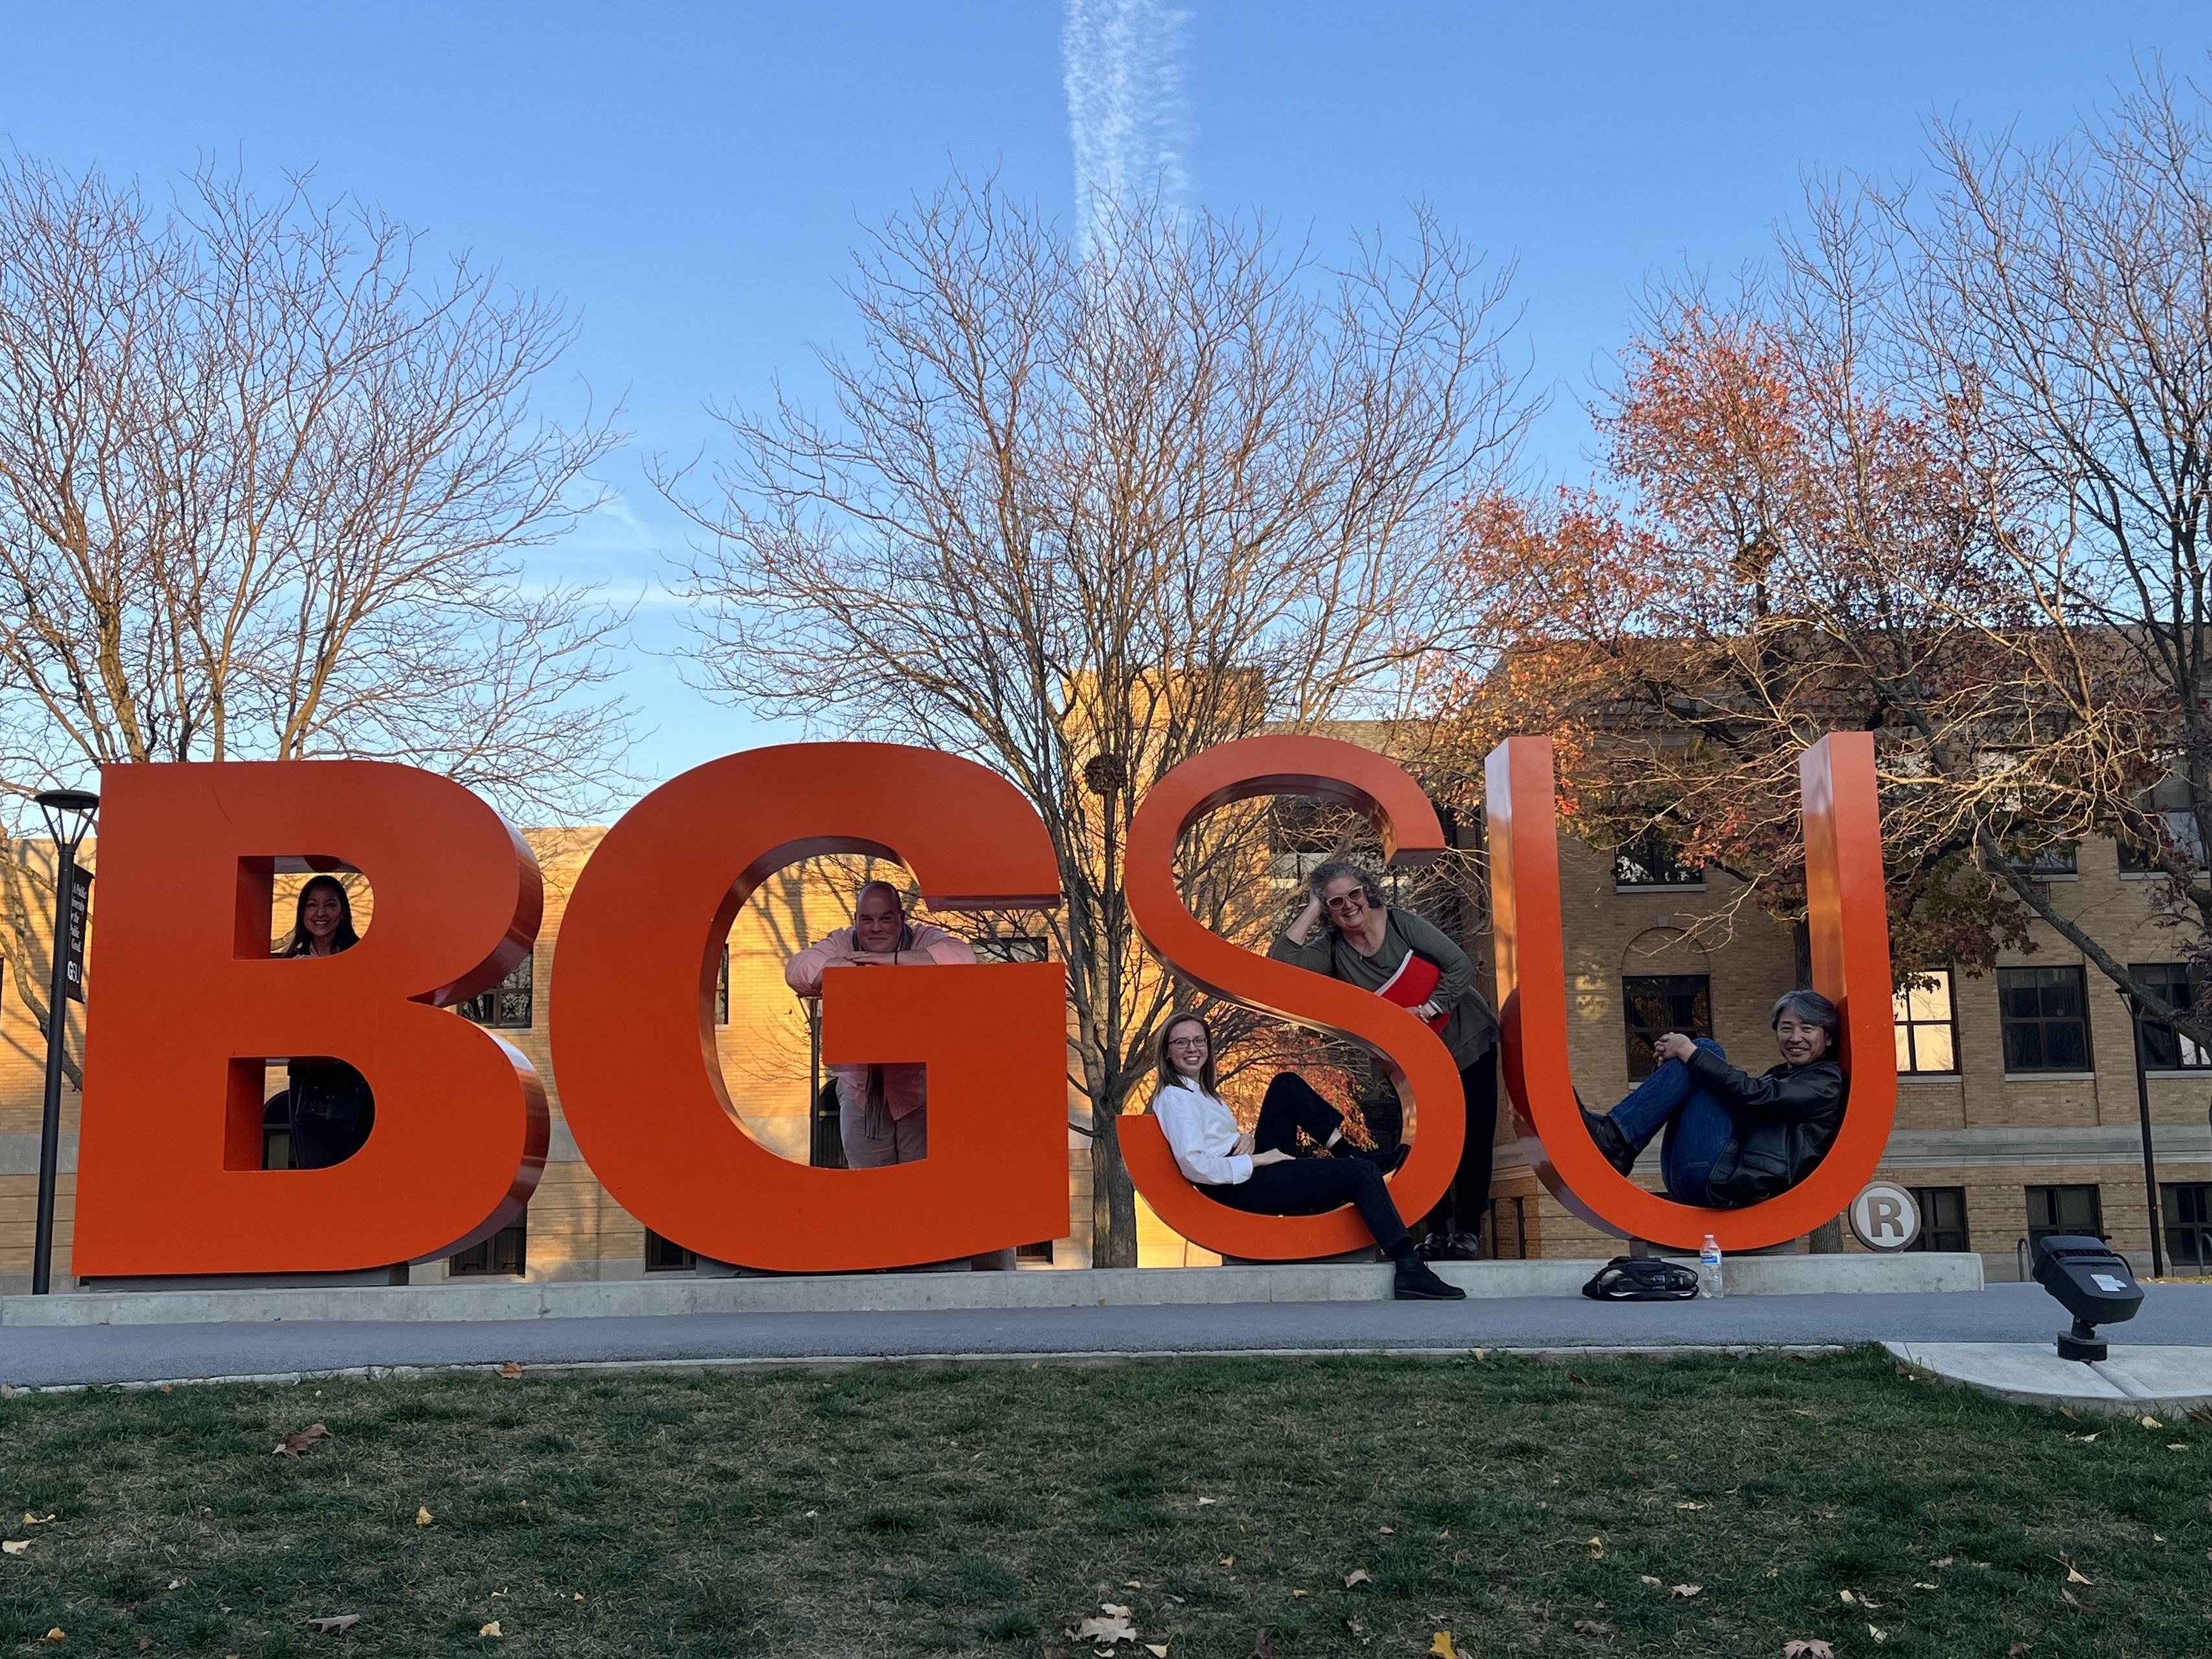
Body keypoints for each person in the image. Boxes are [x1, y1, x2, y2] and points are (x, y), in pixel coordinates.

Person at [1270, 860, 1499, 1260]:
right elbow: (1281, 970)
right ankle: (1436, 1231)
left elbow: (1459, 965)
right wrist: (1310, 907)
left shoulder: (1402, 923)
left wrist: (1428, 1010)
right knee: (1423, 1141)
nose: (1348, 906)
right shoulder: (1333, 950)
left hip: (1465, 1039)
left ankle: (1468, 1233)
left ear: (1367, 890)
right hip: (1408, 1063)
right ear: (1327, 909)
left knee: (1473, 1137)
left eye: (1353, 894)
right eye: (1335, 902)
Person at [1149, 1012, 1465, 1300]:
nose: (1192, 1048)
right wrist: (1257, 1159)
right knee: (1363, 1175)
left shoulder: (1200, 1091)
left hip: (1243, 1167)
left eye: (1199, 1040)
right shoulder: (1175, 1098)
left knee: (1286, 1085)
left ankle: (1348, 1151)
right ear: (1167, 1051)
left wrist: (1243, 1138)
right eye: (1181, 1042)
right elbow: (1195, 1165)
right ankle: (1409, 1268)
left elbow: (1213, 1140)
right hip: (1238, 1185)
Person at [1579, 990, 1846, 1207]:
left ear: (1829, 1037)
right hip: (1698, 1173)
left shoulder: (1825, 1082)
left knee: (1705, 1052)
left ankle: (1615, 1140)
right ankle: (1617, 1142)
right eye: (1786, 1028)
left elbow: (1755, 1094)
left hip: (1724, 1183)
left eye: (1807, 1029)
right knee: (1700, 1062)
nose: (1795, 1038)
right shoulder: (1779, 1075)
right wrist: (1674, 1071)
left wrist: (1689, 1054)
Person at [784, 880, 979, 1168]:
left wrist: (891, 961)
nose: (876, 928)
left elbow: (964, 958)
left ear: (901, 918)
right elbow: (797, 969)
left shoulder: (923, 938)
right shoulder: (842, 942)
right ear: (856, 920)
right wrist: (844, 968)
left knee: (921, 1188)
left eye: (886, 919)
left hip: (918, 1094)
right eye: (867, 919)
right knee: (868, 1192)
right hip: (861, 1094)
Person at [279, 874, 374, 1169]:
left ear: (343, 913)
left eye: (330, 905)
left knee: (358, 1172)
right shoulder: (286, 967)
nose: (321, 913)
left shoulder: (365, 960)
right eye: (312, 905)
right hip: (309, 1081)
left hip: (357, 1078)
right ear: (302, 913)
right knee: (316, 1171)